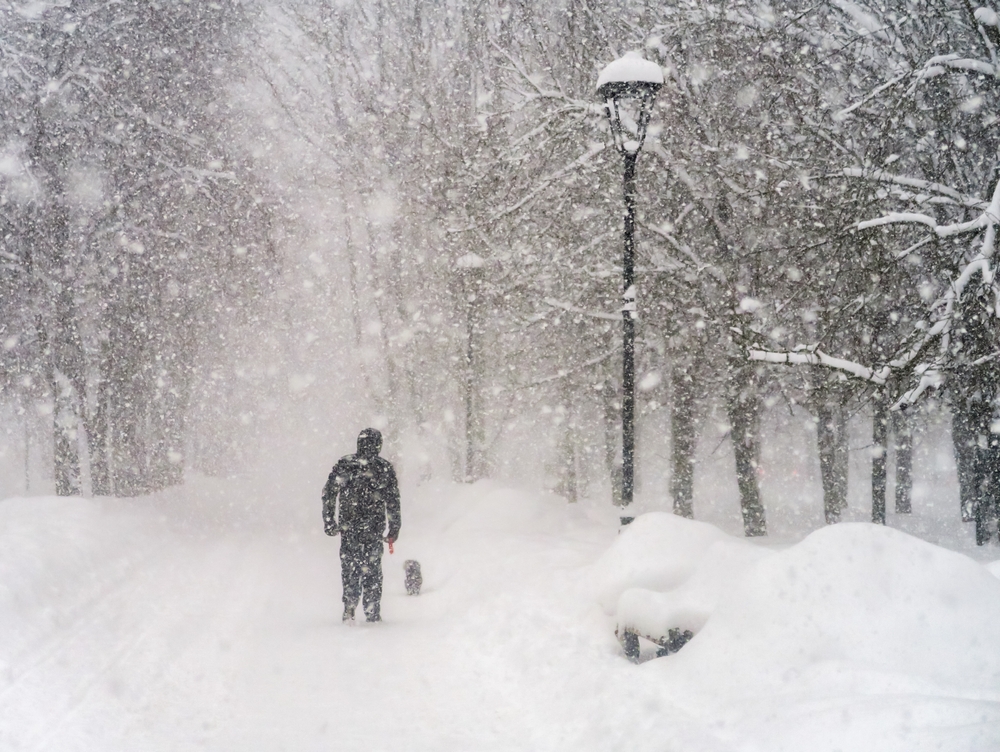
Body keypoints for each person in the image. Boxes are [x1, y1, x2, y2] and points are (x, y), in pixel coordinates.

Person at [322, 428, 401, 623]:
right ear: (379, 445)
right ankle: (372, 611)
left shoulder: (346, 465)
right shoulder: (383, 468)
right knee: (372, 570)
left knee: (350, 568)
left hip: (350, 528)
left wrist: (330, 521)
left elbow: (329, 494)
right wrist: (394, 528)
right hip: (373, 529)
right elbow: (392, 501)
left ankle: (350, 607)